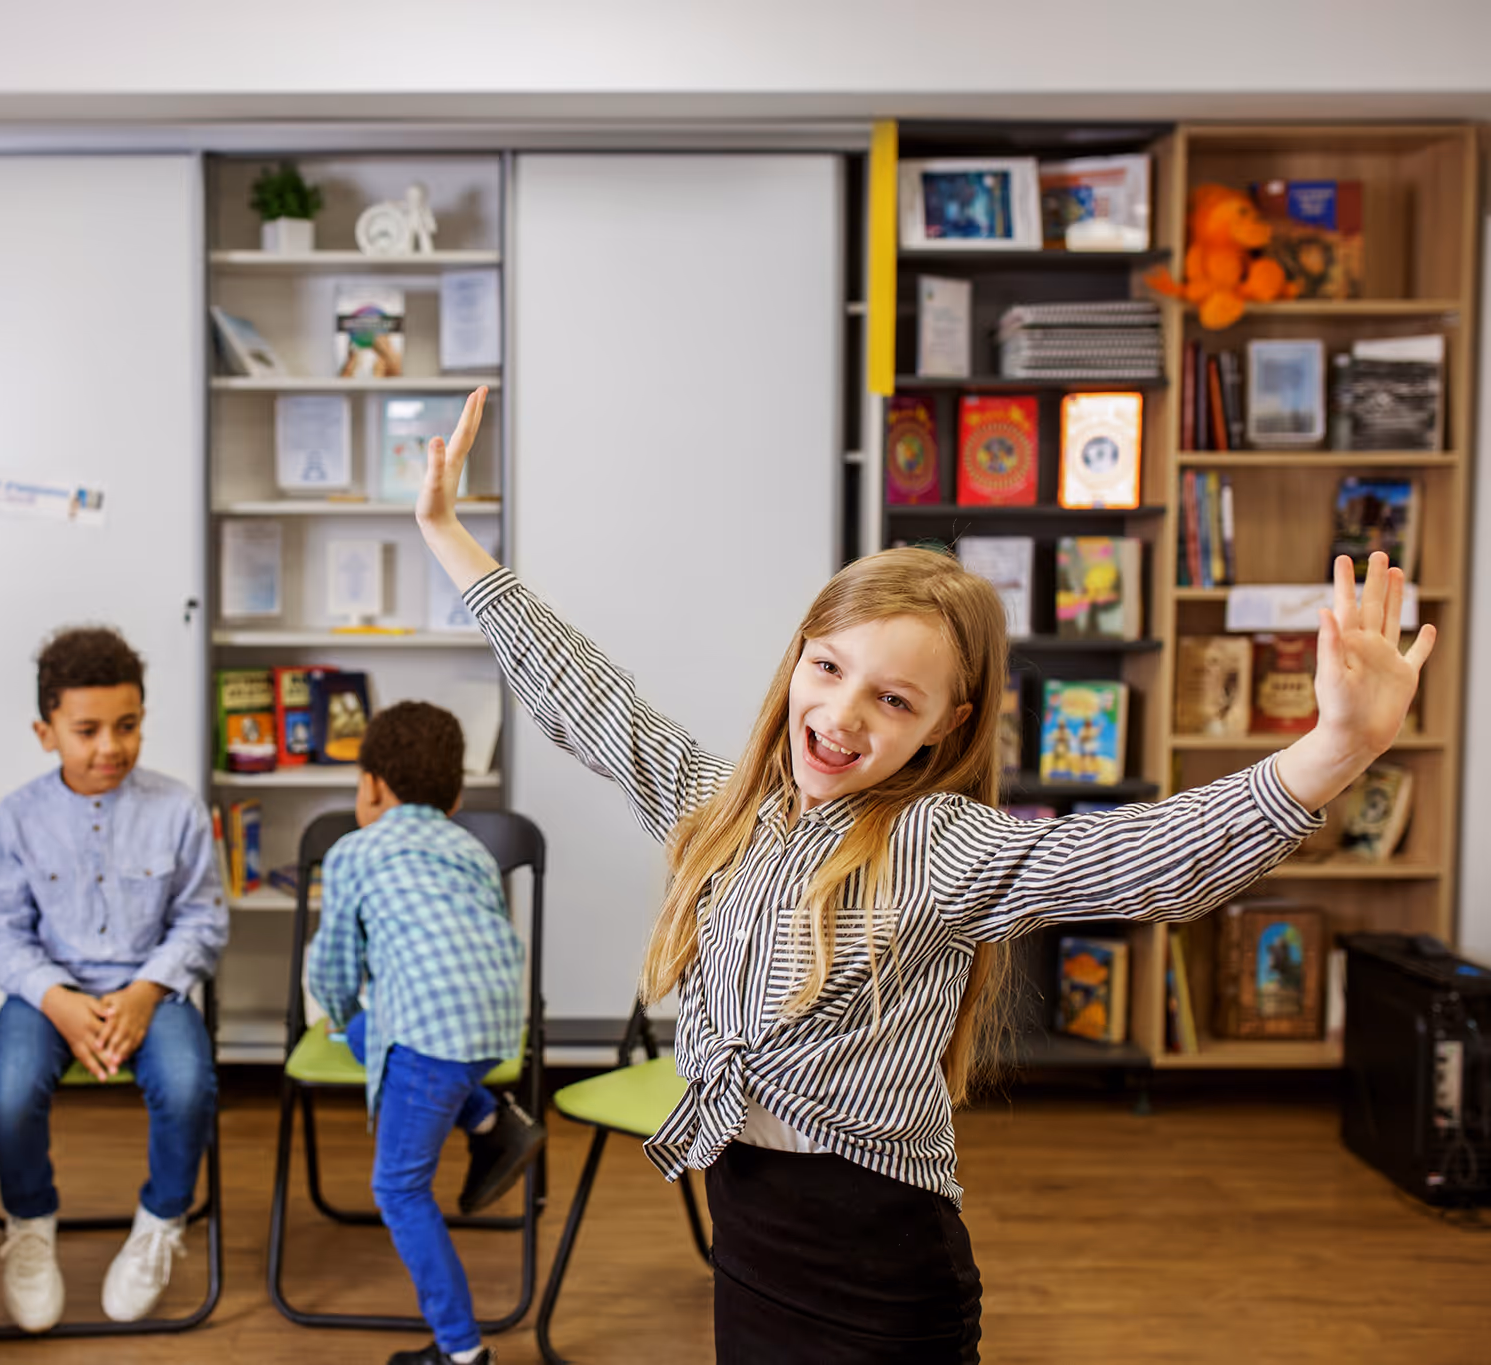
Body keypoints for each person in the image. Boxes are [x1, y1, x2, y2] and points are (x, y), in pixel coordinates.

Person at [416, 388, 1433, 1363]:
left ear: (945, 725)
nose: (844, 715)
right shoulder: (718, 806)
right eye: (828, 668)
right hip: (748, 1232)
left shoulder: (939, 844)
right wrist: (448, 537)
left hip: (876, 1263)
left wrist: (1332, 749)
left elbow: (1133, 863)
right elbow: (584, 696)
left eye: (892, 700)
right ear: (798, 656)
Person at [0, 625, 226, 1332]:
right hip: (49, 991)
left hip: (152, 984)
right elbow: (3, 932)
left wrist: (148, 991)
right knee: (10, 1091)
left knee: (186, 1086)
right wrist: (58, 1001)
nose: (109, 746)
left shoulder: (177, 808)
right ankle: (28, 1221)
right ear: (45, 730)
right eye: (86, 730)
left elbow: (203, 920)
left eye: (127, 725)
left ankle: (159, 1220)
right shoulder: (19, 816)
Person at [307, 700, 546, 1365]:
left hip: (428, 1040)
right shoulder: (469, 848)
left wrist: (328, 1007)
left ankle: (461, 1352)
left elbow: (331, 962)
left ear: (371, 786)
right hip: (494, 1024)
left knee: (400, 1189)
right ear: (456, 795)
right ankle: (489, 1120)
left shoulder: (355, 850)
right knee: (367, 1034)